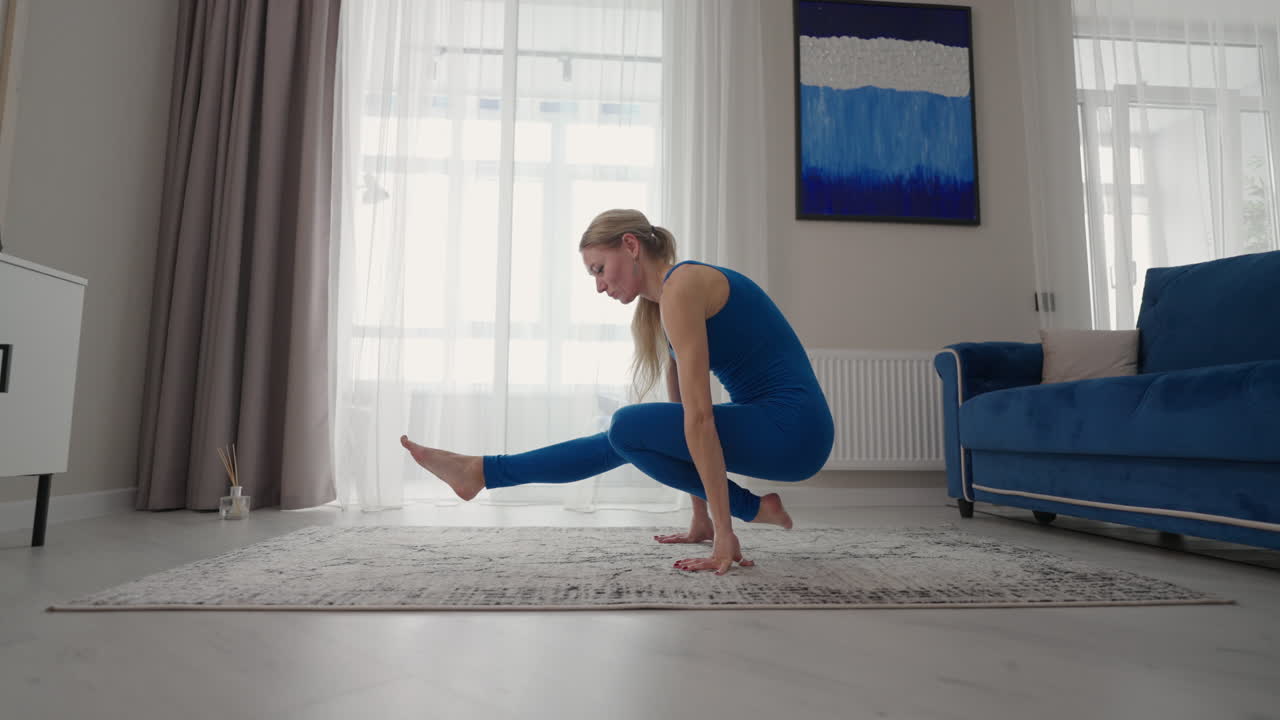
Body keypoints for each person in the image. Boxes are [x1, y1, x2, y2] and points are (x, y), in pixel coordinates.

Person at [400, 209, 835, 576]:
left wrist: (726, 531)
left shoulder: (683, 287)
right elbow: (681, 420)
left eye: (598, 269)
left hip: (793, 430)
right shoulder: (664, 304)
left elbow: (700, 420)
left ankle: (752, 509)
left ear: (630, 246)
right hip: (780, 429)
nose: (599, 285)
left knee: (627, 426)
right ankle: (480, 472)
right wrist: (700, 518)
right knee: (627, 435)